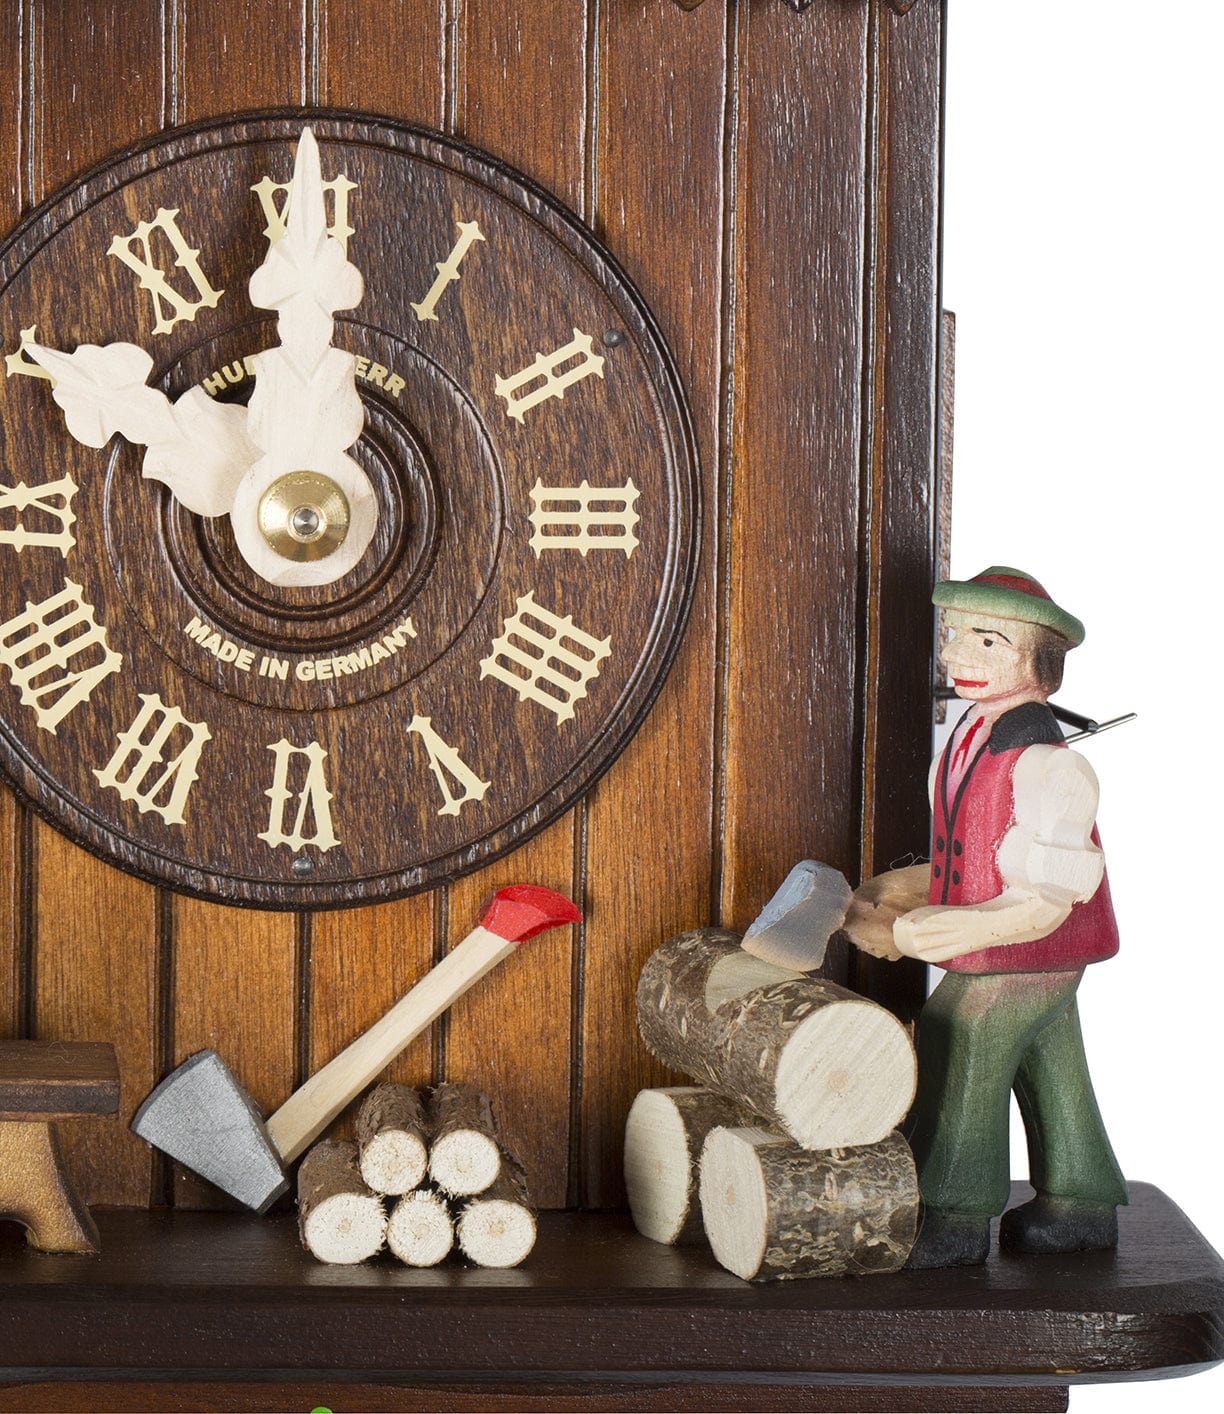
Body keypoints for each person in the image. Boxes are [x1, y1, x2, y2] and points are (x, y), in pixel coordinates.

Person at [844, 567, 1127, 1267]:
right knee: (1049, 1056)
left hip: (1031, 945)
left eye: (989, 642)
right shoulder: (974, 732)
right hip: (1021, 952)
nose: (960, 657)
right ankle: (1082, 1202)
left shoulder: (1051, 769)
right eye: (954, 636)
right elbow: (977, 856)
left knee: (958, 1029)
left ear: (1043, 668)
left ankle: (953, 1213)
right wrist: (903, 888)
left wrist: (914, 933)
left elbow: (1040, 900)